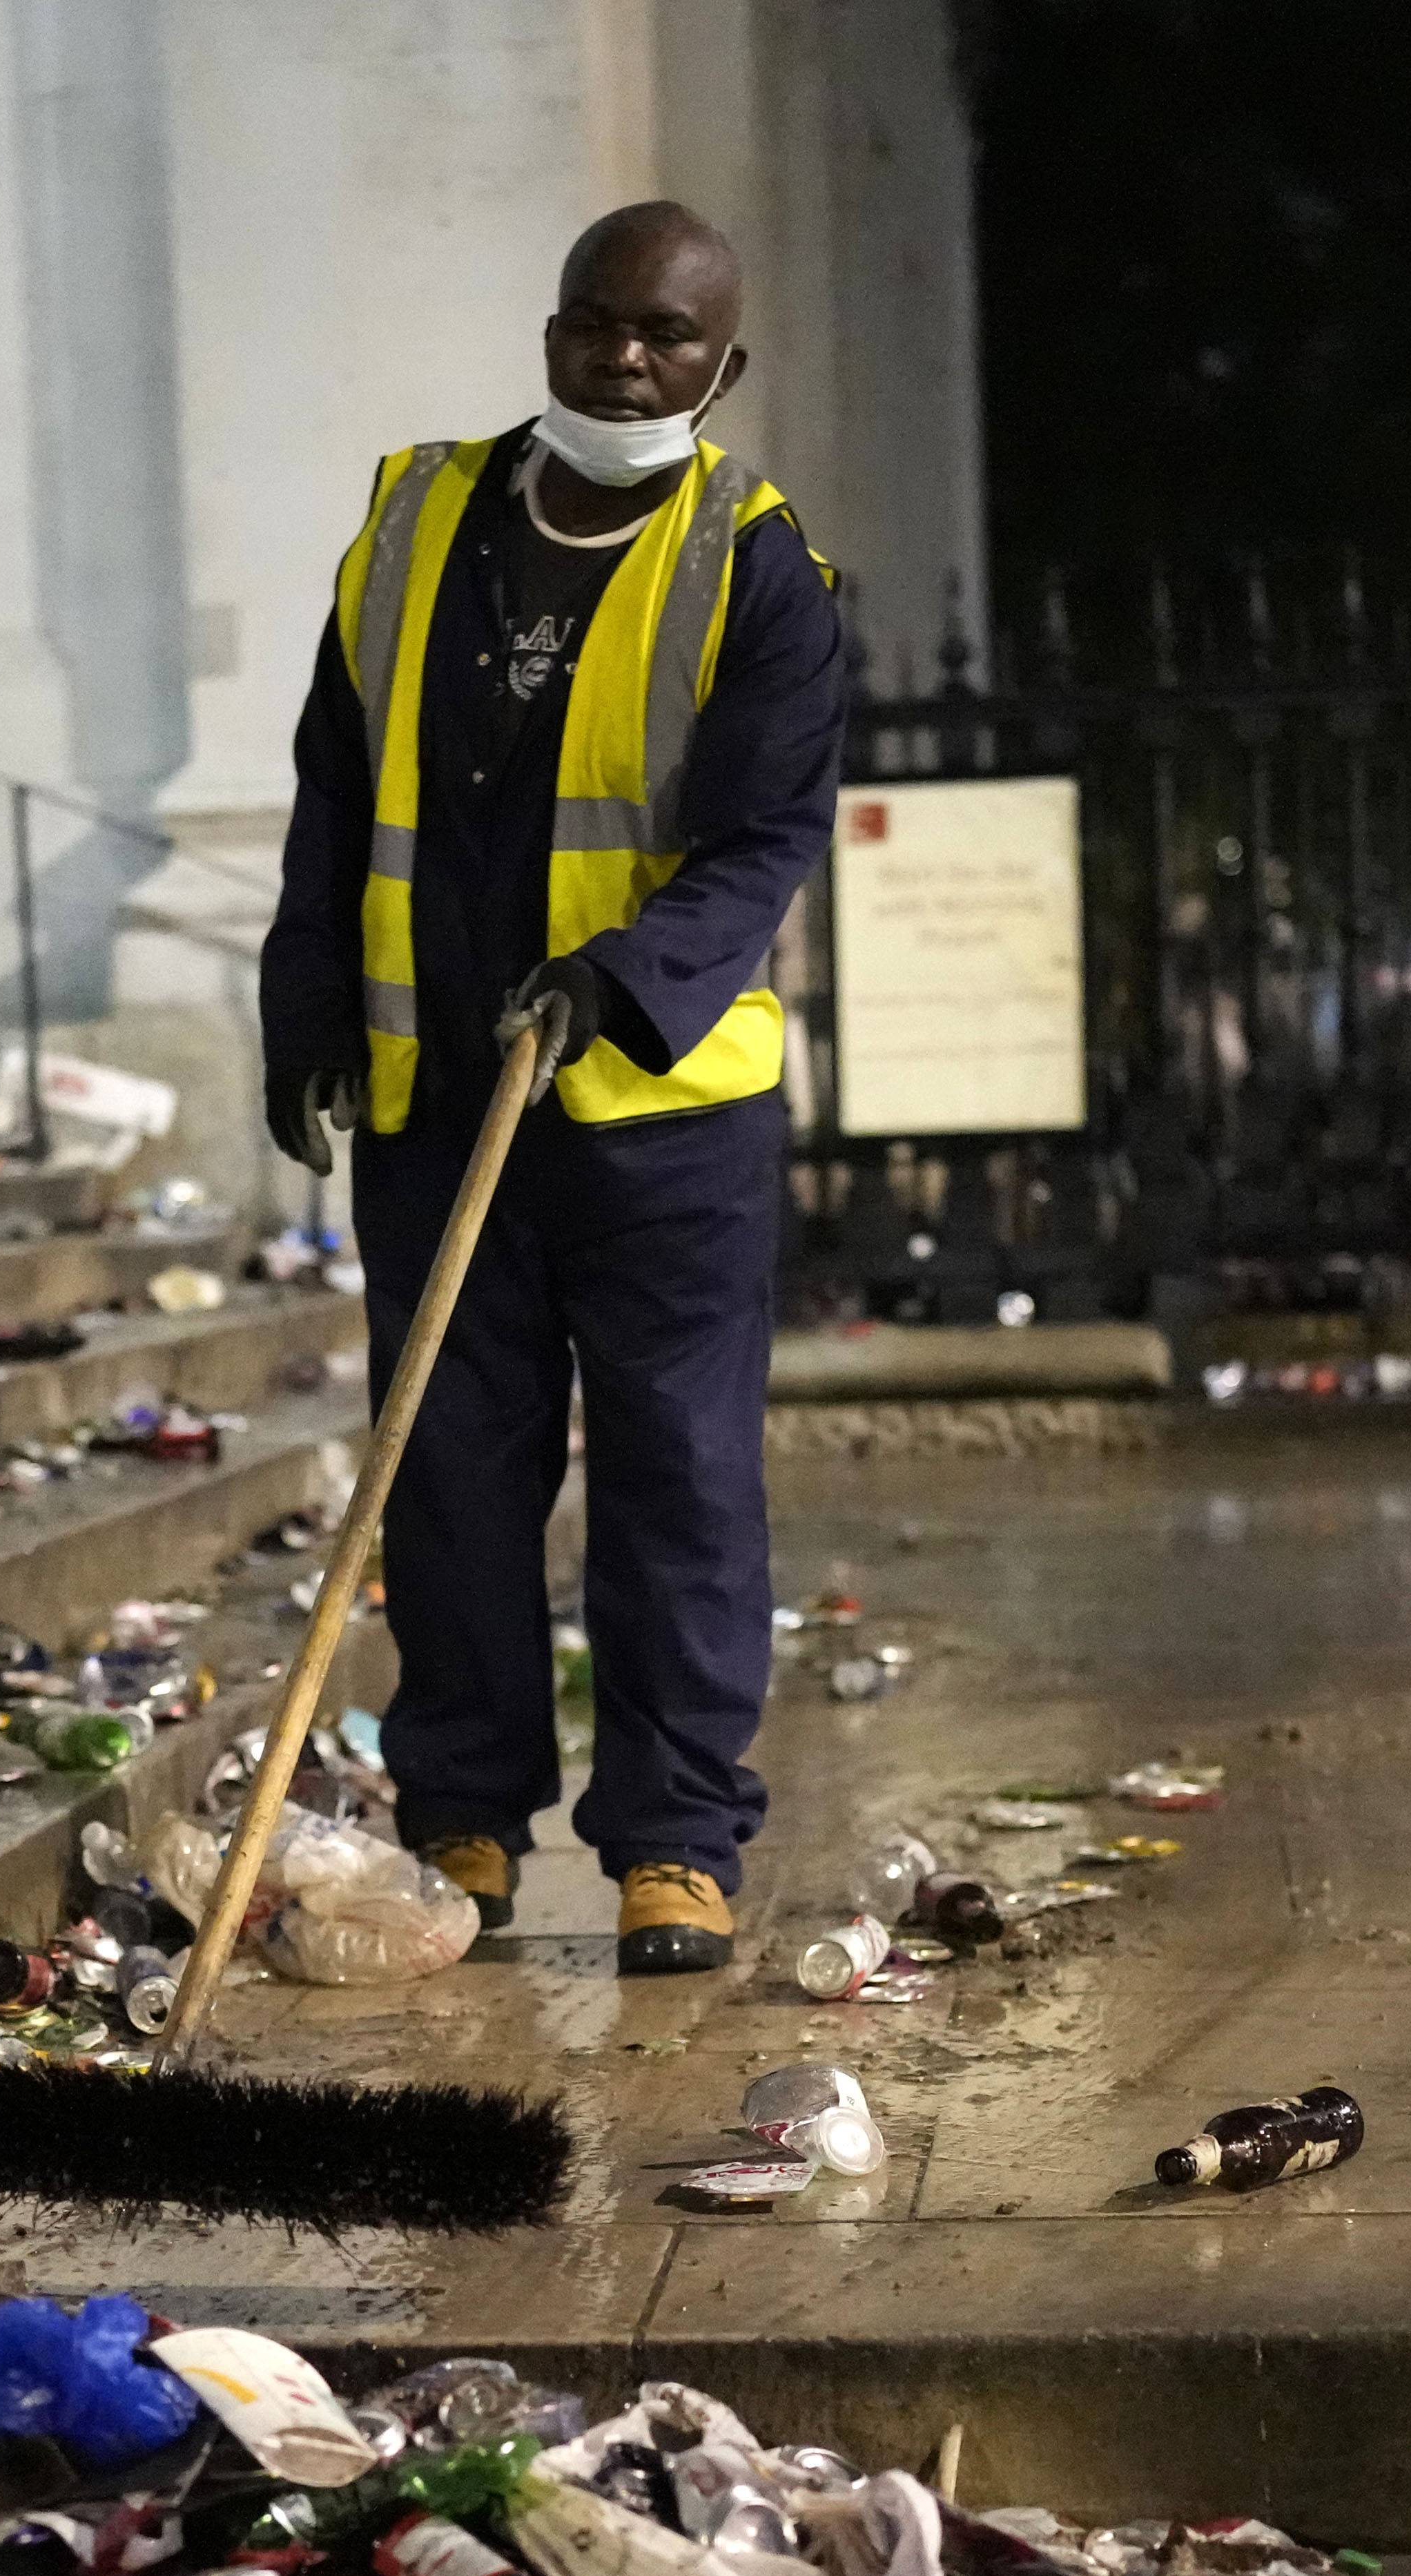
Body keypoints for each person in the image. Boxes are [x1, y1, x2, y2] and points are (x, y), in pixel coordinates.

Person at [258, 199, 848, 1977]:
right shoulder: (415, 521)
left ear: (721, 367)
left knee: (679, 1483)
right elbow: (335, 787)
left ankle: (675, 1841)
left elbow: (762, 840)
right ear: (552, 332)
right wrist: (305, 1008)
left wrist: (620, 979)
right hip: (440, 1090)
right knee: (446, 1471)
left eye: (670, 338)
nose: (628, 360)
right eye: (601, 323)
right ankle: (463, 1817)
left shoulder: (759, 568)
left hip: (661, 1118)